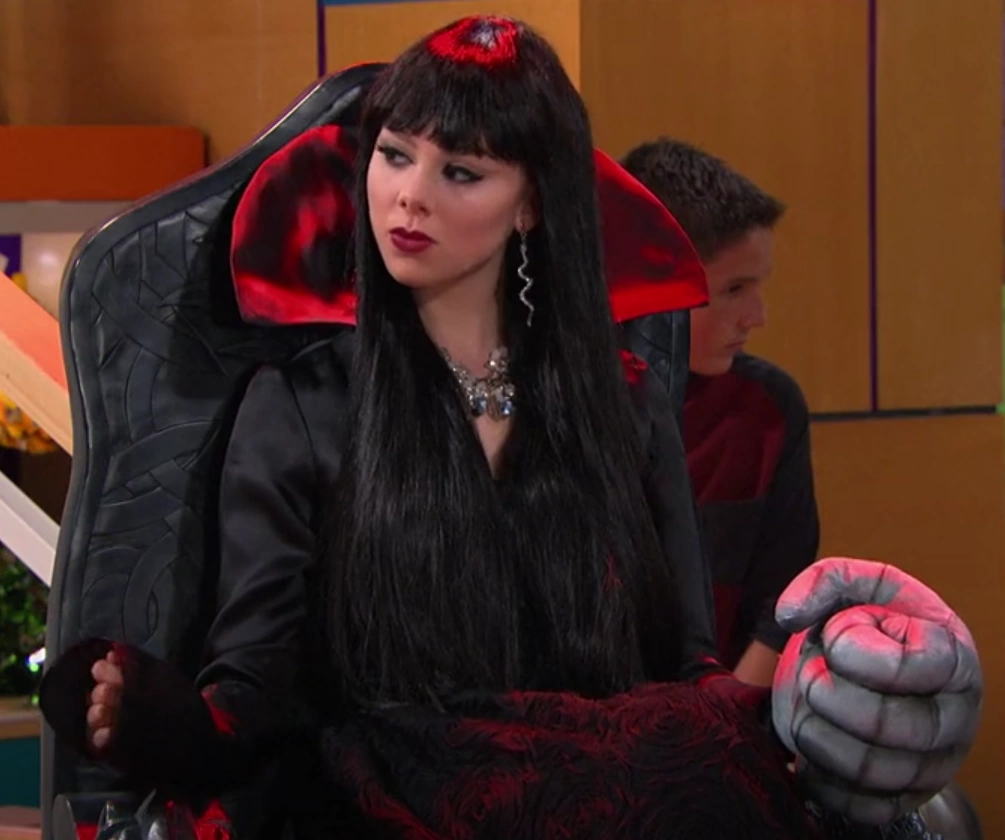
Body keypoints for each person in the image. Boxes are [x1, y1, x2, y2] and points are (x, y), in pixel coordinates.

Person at [40, 16, 980, 840]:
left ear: (530, 202)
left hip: (615, 783)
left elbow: (684, 665)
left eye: (461, 171)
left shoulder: (621, 404)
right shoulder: (304, 405)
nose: (408, 196)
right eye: (393, 155)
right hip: (394, 789)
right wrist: (157, 717)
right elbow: (255, 685)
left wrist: (832, 709)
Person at [621, 138, 816, 687]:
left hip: (727, 715)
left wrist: (724, 719)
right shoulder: (564, 406)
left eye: (758, 286)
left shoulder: (769, 411)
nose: (757, 315)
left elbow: (782, 609)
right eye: (733, 289)